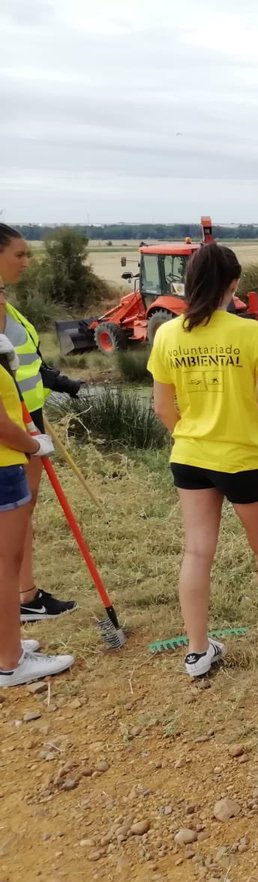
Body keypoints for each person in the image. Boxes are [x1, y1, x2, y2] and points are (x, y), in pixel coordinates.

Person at [147, 242, 258, 678]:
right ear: (234, 284)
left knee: (197, 551)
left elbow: (164, 409)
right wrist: (242, 392)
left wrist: (194, 432)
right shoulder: (250, 333)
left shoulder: (166, 334)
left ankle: (197, 652)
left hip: (189, 456)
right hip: (242, 458)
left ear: (187, 283)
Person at [0, 224, 85, 623]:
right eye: (19, 254)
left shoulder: (5, 302)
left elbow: (24, 361)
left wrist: (59, 384)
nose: (27, 262)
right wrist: (28, 434)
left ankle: (23, 593)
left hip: (27, 417)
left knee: (21, 511)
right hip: (15, 424)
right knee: (17, 513)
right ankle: (22, 597)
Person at [0, 335, 74, 686]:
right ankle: (11, 662)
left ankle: (7, 643)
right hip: (3, 467)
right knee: (5, 563)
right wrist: (34, 444)